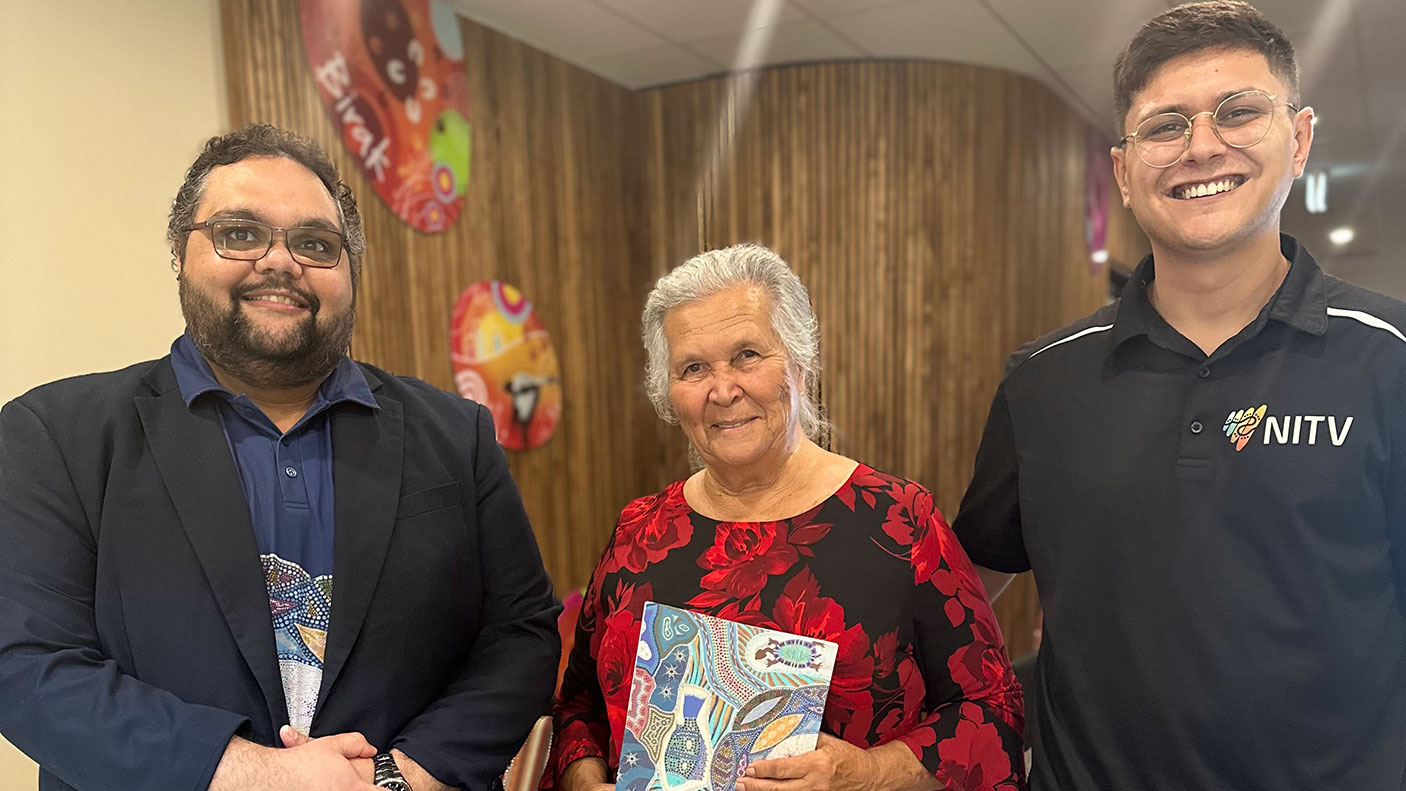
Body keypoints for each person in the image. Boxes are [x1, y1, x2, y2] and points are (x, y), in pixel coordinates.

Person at [0, 124, 561, 791]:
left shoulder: (457, 436)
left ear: (349, 270)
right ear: (181, 253)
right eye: (240, 233)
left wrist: (399, 777)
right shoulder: (54, 435)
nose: (281, 261)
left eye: (315, 244)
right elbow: (27, 663)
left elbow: (519, 635)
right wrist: (256, 773)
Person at [952, 2, 1406, 788]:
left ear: (1297, 140)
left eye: (1238, 112)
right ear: (1125, 172)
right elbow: (964, 583)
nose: (1202, 146)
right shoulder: (1043, 380)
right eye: (1165, 125)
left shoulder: (1389, 360)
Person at [548, 244, 1025, 791]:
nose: (723, 390)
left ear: (800, 362)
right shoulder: (639, 531)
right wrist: (582, 781)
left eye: (748, 355)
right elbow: (577, 705)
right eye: (693, 367)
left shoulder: (898, 521)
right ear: (668, 392)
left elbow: (993, 712)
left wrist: (863, 773)